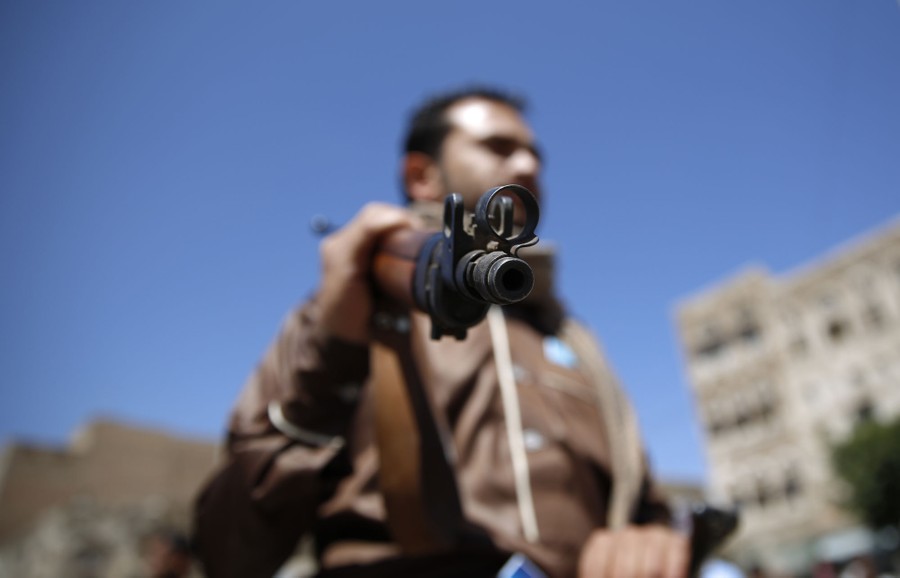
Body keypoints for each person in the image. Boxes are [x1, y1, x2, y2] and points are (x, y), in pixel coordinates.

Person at [192, 87, 689, 577]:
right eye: (498, 147)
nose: (527, 166)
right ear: (421, 176)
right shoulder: (342, 310)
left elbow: (646, 504)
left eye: (534, 154)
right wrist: (332, 351)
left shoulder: (572, 339)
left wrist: (651, 540)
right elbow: (229, 553)